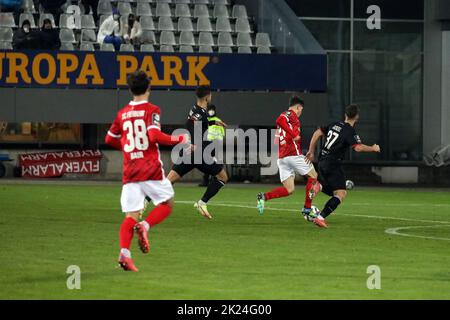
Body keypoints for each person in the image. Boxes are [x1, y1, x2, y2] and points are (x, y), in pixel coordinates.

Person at [105, 70, 189, 272]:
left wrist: (127, 148)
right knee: (167, 203)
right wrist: (179, 140)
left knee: (130, 216)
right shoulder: (152, 109)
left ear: (130, 89)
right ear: (148, 88)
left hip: (130, 171)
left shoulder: (122, 113)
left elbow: (109, 139)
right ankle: (145, 226)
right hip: (150, 168)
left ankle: (125, 255)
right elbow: (153, 135)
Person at [306, 104, 381, 228]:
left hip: (322, 161)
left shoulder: (334, 124)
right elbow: (358, 148)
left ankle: (319, 186)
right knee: (341, 194)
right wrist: (373, 148)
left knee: (333, 192)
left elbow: (317, 132)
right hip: (333, 164)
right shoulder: (349, 131)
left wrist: (311, 151)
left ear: (345, 115)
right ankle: (320, 217)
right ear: (357, 117)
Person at [166, 85, 228, 219]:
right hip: (200, 154)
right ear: (207, 97)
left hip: (189, 153)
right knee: (223, 177)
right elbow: (194, 127)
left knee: (169, 180)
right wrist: (194, 143)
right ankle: (202, 202)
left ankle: (145, 201)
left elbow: (196, 122)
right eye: (210, 95)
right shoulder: (200, 113)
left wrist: (213, 123)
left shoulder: (196, 109)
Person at [256, 95, 322, 220]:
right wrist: (294, 135)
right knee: (314, 176)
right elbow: (279, 120)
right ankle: (307, 209)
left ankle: (263, 197)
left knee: (289, 189)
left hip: (282, 157)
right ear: (298, 107)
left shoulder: (288, 118)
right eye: (301, 110)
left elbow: (278, 136)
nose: (300, 113)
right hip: (293, 154)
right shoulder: (290, 115)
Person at [199, 104, 225, 187]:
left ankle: (213, 179)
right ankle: (208, 180)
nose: (211, 111)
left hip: (214, 144)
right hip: (206, 144)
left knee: (213, 162)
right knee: (210, 163)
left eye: (212, 109)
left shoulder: (217, 120)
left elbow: (221, 133)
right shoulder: (205, 119)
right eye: (209, 109)